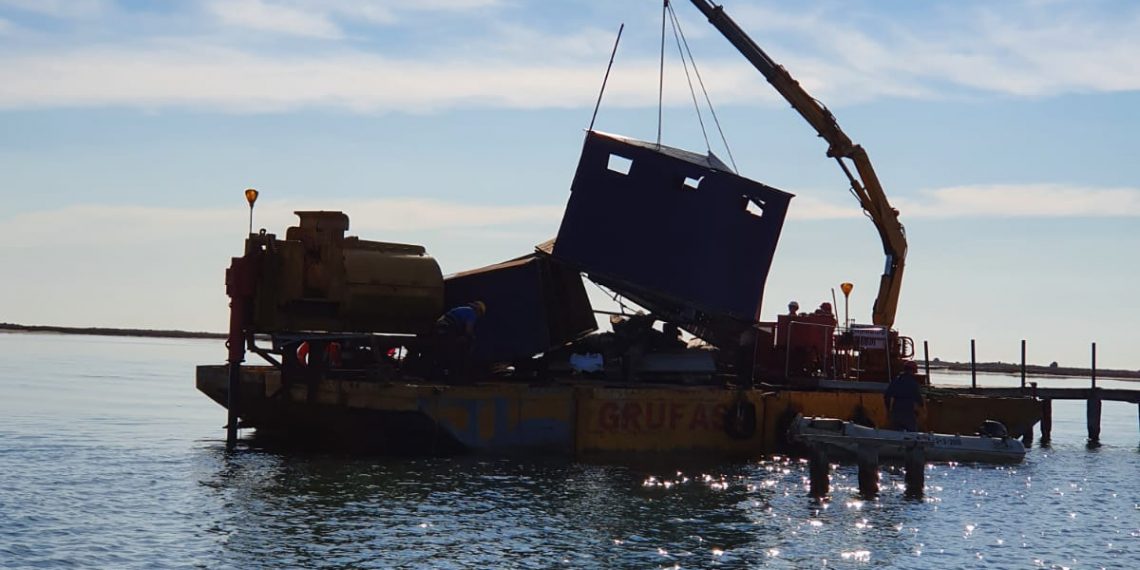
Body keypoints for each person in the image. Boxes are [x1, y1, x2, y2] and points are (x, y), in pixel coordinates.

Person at [433, 301, 486, 380]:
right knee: (455, 350)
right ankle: (456, 374)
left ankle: (441, 372)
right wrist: (471, 338)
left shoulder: (464, 309)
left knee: (445, 349)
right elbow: (468, 330)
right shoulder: (472, 313)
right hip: (448, 326)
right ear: (479, 311)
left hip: (440, 326)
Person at [884, 360, 924, 431]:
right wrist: (920, 411)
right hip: (908, 415)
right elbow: (919, 400)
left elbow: (887, 396)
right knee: (912, 435)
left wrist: (888, 410)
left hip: (896, 413)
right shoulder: (913, 384)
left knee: (894, 435)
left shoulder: (896, 381)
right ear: (913, 371)